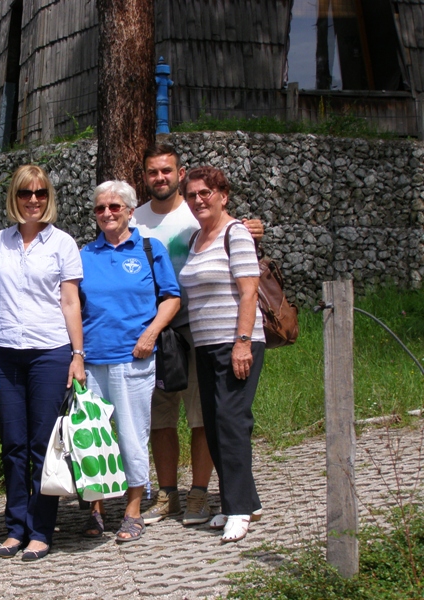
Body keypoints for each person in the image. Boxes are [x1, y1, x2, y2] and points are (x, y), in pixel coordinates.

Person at [131, 144, 263, 527]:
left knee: (208, 417)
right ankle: (170, 495)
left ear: (180, 172)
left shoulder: (198, 213)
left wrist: (251, 227)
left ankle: (202, 494)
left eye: (167, 171)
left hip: (203, 331)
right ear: (144, 176)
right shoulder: (136, 219)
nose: (160, 178)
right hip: (157, 333)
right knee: (162, 417)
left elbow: (233, 240)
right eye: (153, 172)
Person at [0, 164, 85, 561]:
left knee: (44, 445)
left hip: (50, 351)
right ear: (14, 197)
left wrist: (77, 355)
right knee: (13, 444)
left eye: (40, 192)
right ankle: (15, 528)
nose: (33, 200)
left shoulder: (62, 243)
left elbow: (70, 301)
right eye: (25, 193)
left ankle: (41, 530)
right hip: (5, 351)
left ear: (49, 197)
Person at [78, 181, 180, 542]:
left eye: (114, 207)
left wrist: (151, 333)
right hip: (92, 361)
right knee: (92, 437)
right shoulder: (84, 254)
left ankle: (133, 509)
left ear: (130, 211)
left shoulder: (150, 249)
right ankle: (96, 509)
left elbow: (171, 298)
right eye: (100, 208)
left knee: (131, 435)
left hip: (133, 358)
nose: (107, 213)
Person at [178, 166, 265, 543]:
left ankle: (238, 509)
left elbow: (249, 291)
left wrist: (242, 342)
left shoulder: (236, 233)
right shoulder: (196, 238)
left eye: (205, 193)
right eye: (192, 194)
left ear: (223, 196)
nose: (198, 200)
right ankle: (243, 501)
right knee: (214, 425)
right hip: (205, 345)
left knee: (231, 421)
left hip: (237, 343)